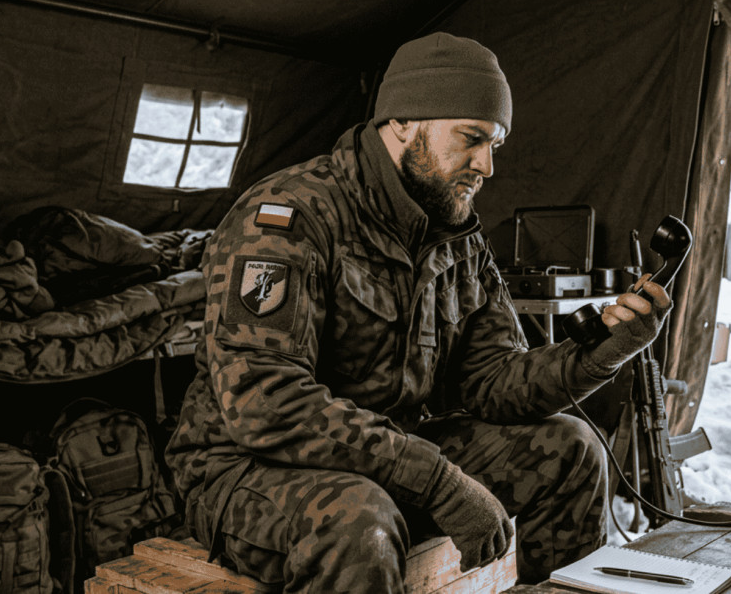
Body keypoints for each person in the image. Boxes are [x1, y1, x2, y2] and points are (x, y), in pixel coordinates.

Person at [165, 31, 672, 592]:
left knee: (573, 450)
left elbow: (493, 380)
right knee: (359, 521)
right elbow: (266, 402)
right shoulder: (289, 216)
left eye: (495, 144)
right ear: (403, 122)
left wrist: (602, 352)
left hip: (389, 453)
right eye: (471, 138)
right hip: (247, 467)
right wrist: (436, 481)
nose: (487, 165)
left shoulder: (456, 233)